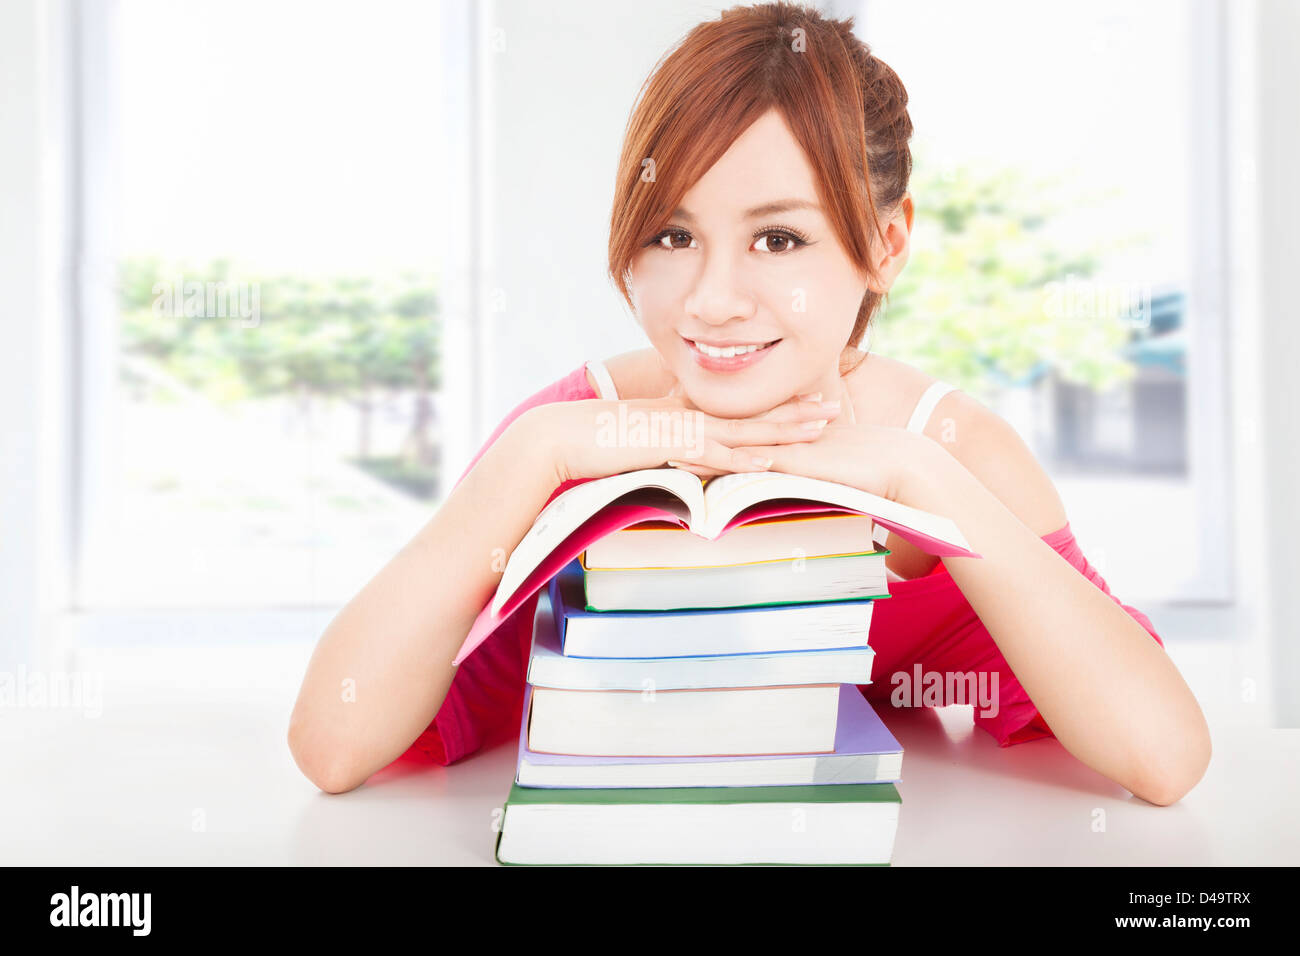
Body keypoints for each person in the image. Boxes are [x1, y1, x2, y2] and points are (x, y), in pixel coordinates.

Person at [288, 1, 1209, 805]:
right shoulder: (570, 429)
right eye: (673, 233)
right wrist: (530, 457)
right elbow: (334, 742)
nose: (712, 299)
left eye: (778, 237)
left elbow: (1163, 756)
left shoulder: (954, 451)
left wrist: (915, 475)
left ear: (885, 242)